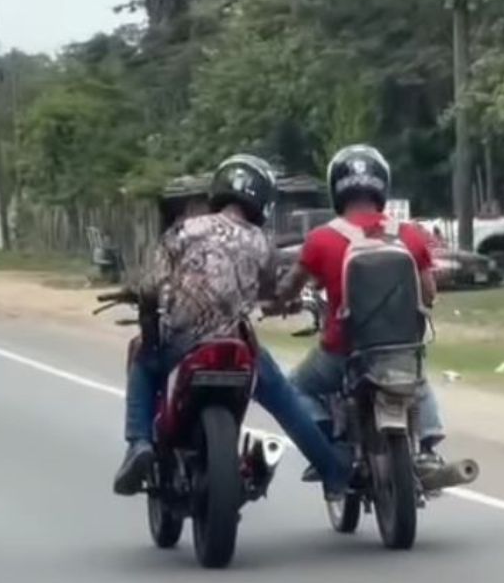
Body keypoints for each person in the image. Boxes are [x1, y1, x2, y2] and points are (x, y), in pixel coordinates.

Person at [115, 154, 348, 500]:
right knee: (286, 401)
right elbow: (269, 293)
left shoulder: (183, 230)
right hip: (234, 342)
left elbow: (150, 287)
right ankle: (333, 472)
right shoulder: (262, 242)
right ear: (263, 200)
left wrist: (148, 317)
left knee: (141, 355)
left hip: (180, 342)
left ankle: (138, 443)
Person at [274, 144, 447, 477]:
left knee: (296, 387)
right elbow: (428, 292)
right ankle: (427, 447)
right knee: (417, 376)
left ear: (336, 189)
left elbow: (290, 287)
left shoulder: (321, 239)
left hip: (344, 350)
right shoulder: (409, 235)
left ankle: (329, 444)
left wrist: (279, 301)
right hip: (400, 346)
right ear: (382, 185)